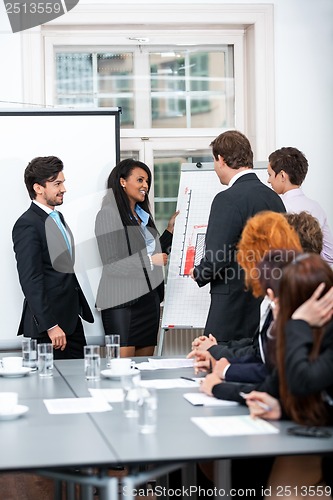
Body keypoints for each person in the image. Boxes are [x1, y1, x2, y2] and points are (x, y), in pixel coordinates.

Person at [244, 253, 333, 500]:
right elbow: (274, 384)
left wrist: (297, 323)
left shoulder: (304, 329)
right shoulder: (306, 333)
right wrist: (280, 408)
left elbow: (304, 381)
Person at [190, 130, 285, 344]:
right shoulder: (274, 198)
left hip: (232, 308)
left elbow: (216, 257)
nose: (215, 167)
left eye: (215, 161)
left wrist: (199, 273)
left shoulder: (227, 199)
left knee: (216, 361)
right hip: (266, 302)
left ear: (221, 159)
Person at [188, 211, 302, 384]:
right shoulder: (281, 290)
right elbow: (259, 348)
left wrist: (218, 358)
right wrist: (217, 353)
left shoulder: (285, 297)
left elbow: (267, 366)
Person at [12, 156, 94, 358]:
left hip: (71, 322)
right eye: (57, 183)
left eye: (63, 182)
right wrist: (50, 325)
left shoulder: (57, 217)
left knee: (80, 382)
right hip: (50, 329)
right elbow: (30, 279)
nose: (64, 189)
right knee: (51, 388)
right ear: (38, 188)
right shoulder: (27, 224)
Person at [95, 158, 178, 357]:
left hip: (148, 303)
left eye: (147, 181)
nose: (145, 186)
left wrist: (170, 231)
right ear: (122, 181)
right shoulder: (108, 215)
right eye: (140, 180)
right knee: (122, 371)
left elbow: (157, 252)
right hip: (122, 304)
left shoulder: (143, 216)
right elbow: (112, 265)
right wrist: (150, 261)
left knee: (145, 370)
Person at [267, 146, 333, 265]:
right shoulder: (316, 207)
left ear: (282, 175)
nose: (268, 180)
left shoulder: (278, 208)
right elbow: (329, 254)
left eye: (270, 174)